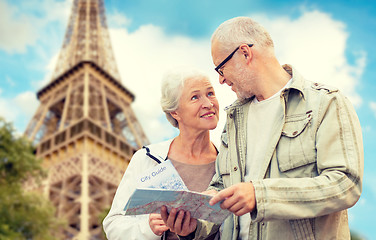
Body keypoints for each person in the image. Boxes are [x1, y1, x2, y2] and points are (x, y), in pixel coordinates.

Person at [161, 16, 364, 240]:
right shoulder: (234, 118)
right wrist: (194, 226)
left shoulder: (326, 103)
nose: (220, 80)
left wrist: (261, 195)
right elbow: (221, 189)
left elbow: (346, 184)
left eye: (221, 68)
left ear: (245, 54)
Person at [102, 69, 220, 240]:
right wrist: (148, 228)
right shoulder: (146, 159)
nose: (208, 103)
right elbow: (113, 225)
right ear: (175, 112)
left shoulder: (229, 162)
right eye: (195, 97)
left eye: (210, 93)